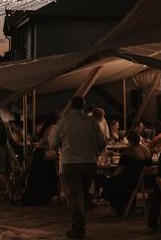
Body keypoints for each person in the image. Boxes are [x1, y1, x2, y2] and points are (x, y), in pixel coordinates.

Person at [50, 96, 106, 239]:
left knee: (76, 196)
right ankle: (80, 225)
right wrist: (94, 149)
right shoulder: (92, 121)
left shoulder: (63, 122)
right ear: (83, 106)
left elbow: (54, 143)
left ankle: (78, 228)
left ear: (71, 106)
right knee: (85, 194)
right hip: (89, 163)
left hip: (71, 163)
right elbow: (102, 143)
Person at [102, 131, 153, 216]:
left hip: (134, 183)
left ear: (129, 140)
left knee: (109, 182)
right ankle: (125, 206)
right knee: (117, 181)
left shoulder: (128, 152)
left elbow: (120, 170)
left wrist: (111, 177)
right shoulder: (146, 149)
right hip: (147, 182)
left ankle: (115, 209)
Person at [22, 111, 60, 205]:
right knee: (44, 176)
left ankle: (37, 197)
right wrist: (51, 146)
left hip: (39, 154)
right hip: (44, 153)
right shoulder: (52, 127)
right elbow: (46, 141)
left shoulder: (47, 127)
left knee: (38, 176)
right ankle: (42, 198)